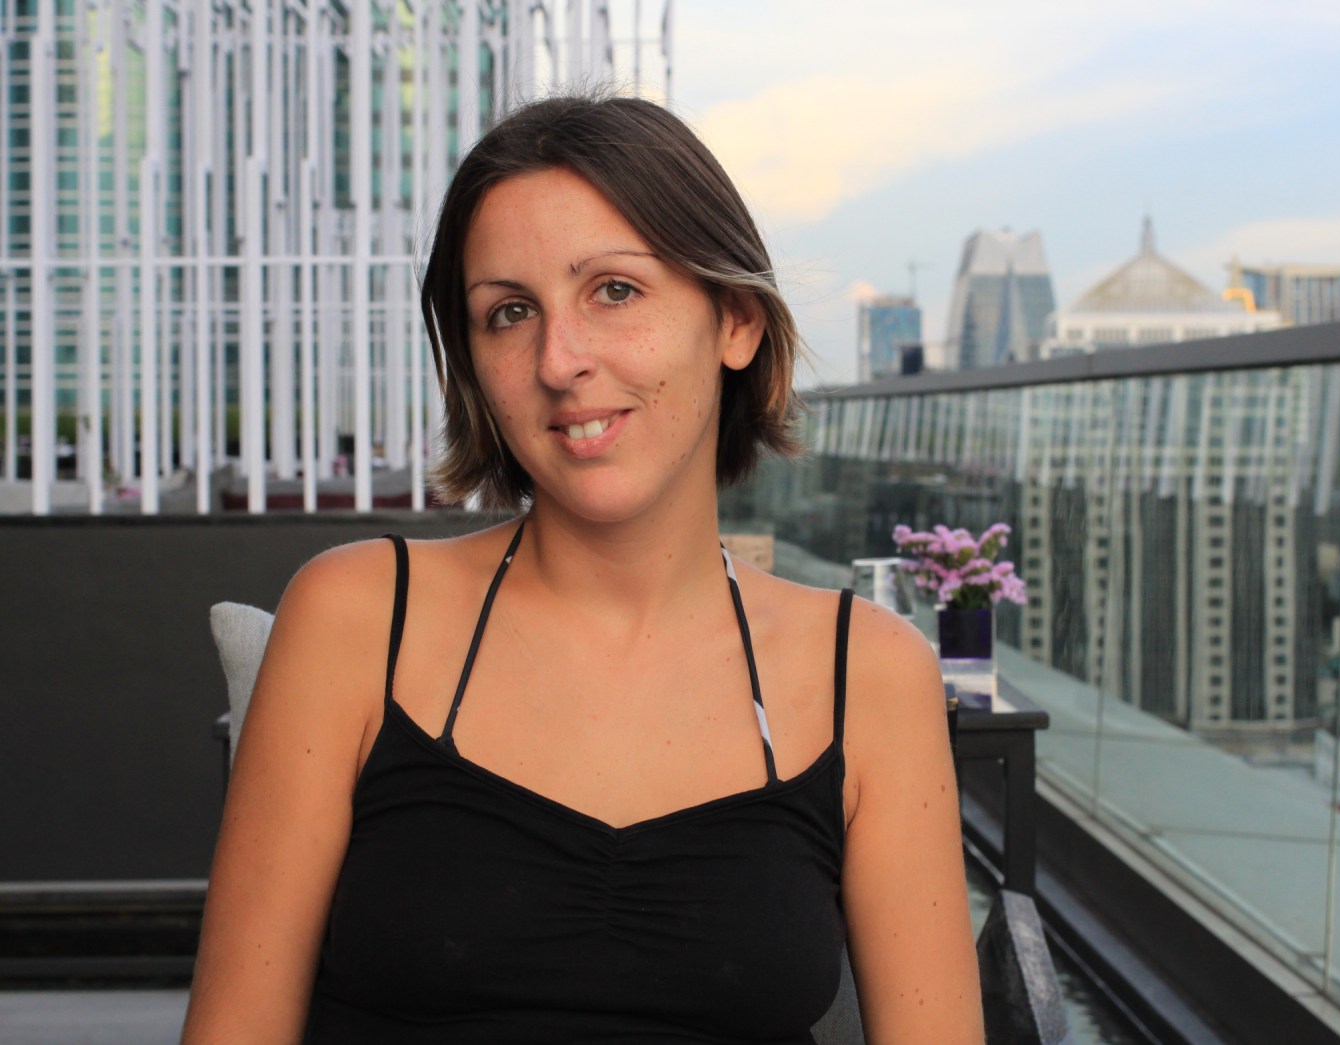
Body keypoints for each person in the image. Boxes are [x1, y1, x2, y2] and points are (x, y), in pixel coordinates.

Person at [182, 94, 983, 1044]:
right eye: (509, 313)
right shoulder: (355, 615)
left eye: (614, 290)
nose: (558, 361)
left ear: (735, 321)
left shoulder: (871, 672)